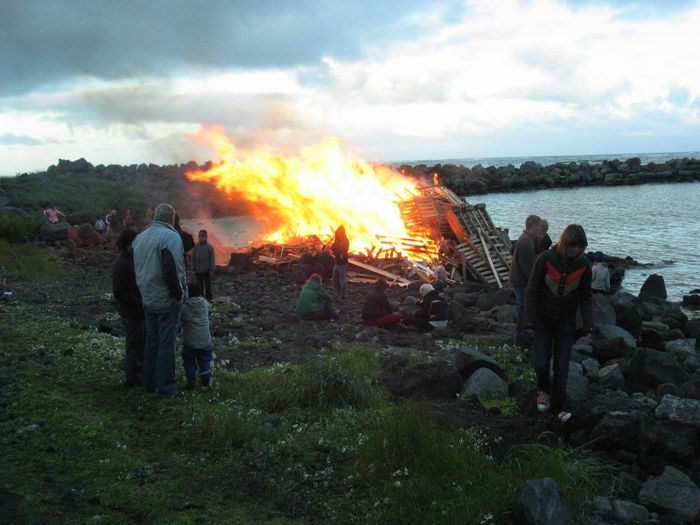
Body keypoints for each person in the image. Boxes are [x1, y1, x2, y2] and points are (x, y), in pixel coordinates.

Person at [524, 224, 593, 423]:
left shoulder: (584, 266)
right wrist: (529, 320)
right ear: (564, 243)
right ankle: (544, 391)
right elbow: (532, 290)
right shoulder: (546, 259)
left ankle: (559, 406)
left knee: (562, 368)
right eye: (572, 246)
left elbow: (586, 297)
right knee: (541, 364)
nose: (576, 250)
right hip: (542, 321)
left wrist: (588, 324)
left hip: (566, 323)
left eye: (580, 246)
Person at [133, 203, 188, 396]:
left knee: (151, 342)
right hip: (166, 300)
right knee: (166, 344)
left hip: (147, 297)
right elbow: (171, 269)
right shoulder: (171, 237)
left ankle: (148, 384)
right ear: (171, 218)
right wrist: (178, 295)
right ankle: (165, 387)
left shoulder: (140, 238)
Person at [112, 229, 145, 387]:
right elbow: (120, 292)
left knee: (140, 343)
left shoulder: (131, 260)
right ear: (128, 244)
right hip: (132, 312)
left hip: (137, 310)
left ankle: (139, 373)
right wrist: (140, 303)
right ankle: (132, 378)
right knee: (134, 344)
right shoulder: (121, 264)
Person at [509, 214, 543, 346]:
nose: (540, 229)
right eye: (539, 226)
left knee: (523, 308)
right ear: (533, 226)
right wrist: (534, 282)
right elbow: (526, 266)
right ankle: (520, 336)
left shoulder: (526, 239)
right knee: (523, 308)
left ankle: (522, 334)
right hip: (521, 281)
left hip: (519, 279)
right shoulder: (525, 241)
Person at [180, 282, 213, 389]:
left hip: (190, 340)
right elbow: (210, 307)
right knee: (205, 359)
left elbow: (180, 318)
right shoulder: (204, 303)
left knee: (189, 360)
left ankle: (191, 380)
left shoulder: (184, 307)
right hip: (204, 339)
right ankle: (206, 380)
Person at [192, 229, 216, 301]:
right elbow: (193, 258)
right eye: (199, 236)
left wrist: (212, 270)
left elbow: (212, 260)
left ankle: (209, 300)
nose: (201, 237)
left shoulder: (209, 247)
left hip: (207, 271)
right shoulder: (196, 247)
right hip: (198, 270)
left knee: (208, 286)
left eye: (202, 236)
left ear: (206, 237)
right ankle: (201, 300)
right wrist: (193, 268)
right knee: (199, 287)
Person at [331, 225, 349, 298]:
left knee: (342, 279)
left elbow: (343, 251)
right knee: (334, 278)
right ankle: (338, 292)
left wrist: (337, 251)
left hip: (343, 263)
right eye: (337, 233)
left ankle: (343, 295)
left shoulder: (345, 241)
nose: (338, 234)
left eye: (339, 232)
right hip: (337, 262)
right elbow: (334, 247)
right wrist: (337, 251)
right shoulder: (337, 240)